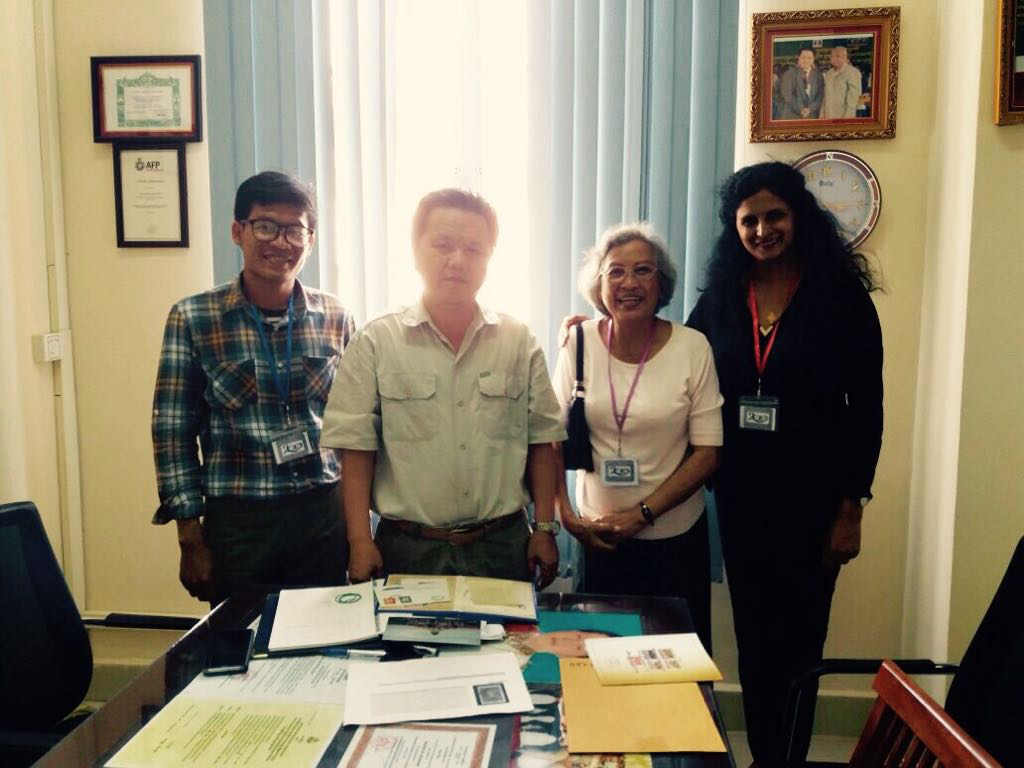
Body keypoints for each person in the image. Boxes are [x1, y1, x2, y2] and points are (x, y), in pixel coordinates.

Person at [686, 162, 883, 768]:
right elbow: (674, 365)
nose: (763, 230)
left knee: (801, 646)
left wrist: (851, 508)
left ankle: (786, 761)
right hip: (742, 500)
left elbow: (867, 410)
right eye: (749, 220)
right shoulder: (720, 300)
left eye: (775, 216)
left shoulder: (841, 299)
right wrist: (594, 329)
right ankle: (764, 757)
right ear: (733, 228)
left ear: (799, 218)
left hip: (815, 505)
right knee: (754, 640)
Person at [321, 188, 566, 588]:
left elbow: (542, 441)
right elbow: (356, 449)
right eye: (442, 245)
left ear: (490, 258)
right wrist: (359, 539)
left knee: (507, 650)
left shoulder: (518, 340)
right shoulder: (376, 340)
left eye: (474, 249)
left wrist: (544, 529)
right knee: (408, 651)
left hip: (502, 545)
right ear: (416, 251)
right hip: (409, 547)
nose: (457, 260)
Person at [152, 171, 355, 606]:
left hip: (322, 515)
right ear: (237, 231)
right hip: (240, 520)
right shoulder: (194, 318)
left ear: (311, 240)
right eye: (265, 226)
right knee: (239, 652)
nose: (280, 242)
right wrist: (190, 536)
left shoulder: (336, 317)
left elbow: (359, 426)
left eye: (294, 229)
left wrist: (361, 527)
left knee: (326, 650)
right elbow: (173, 433)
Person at [552, 224, 723, 651]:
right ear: (598, 284)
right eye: (615, 272)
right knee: (598, 658)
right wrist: (566, 516)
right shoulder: (577, 341)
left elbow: (708, 453)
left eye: (643, 270)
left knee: (673, 665)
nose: (629, 283)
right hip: (598, 538)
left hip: (673, 541)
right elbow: (549, 440)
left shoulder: (692, 347)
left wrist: (641, 514)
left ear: (661, 283)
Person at [777, 47, 824, 119]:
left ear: (813, 59)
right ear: (798, 58)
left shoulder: (818, 75)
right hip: (792, 116)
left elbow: (820, 96)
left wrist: (810, 109)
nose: (806, 60)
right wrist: (800, 109)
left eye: (809, 58)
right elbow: (787, 96)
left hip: (811, 116)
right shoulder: (789, 74)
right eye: (803, 57)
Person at [821, 45, 862, 119]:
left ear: (845, 58)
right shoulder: (829, 73)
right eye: (832, 56)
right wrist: (821, 114)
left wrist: (846, 121)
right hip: (827, 117)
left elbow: (852, 101)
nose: (834, 59)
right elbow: (825, 96)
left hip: (843, 118)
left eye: (837, 56)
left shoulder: (853, 73)